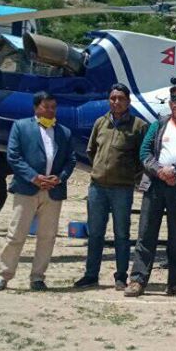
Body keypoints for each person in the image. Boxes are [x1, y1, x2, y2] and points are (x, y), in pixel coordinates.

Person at [0, 91, 76, 292]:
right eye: (46, 107)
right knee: (16, 234)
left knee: (47, 237)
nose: (50, 111)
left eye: (53, 107)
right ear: (36, 107)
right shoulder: (21, 127)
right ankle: (3, 275)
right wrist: (34, 177)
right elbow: (14, 156)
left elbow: (71, 160)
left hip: (53, 191)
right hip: (27, 189)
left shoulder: (64, 132)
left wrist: (59, 178)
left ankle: (38, 277)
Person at [125, 85, 176, 297]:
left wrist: (175, 170)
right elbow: (144, 152)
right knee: (146, 233)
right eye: (174, 98)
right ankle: (138, 280)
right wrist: (160, 171)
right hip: (155, 185)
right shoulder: (158, 125)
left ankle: (175, 283)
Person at [73, 84, 148, 291]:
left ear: (128, 101)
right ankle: (91, 275)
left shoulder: (138, 126)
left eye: (121, 98)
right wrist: (101, 169)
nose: (116, 102)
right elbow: (91, 151)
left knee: (121, 234)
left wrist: (129, 175)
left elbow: (143, 157)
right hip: (97, 187)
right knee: (95, 233)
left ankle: (121, 276)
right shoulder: (100, 122)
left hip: (122, 189)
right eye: (113, 98)